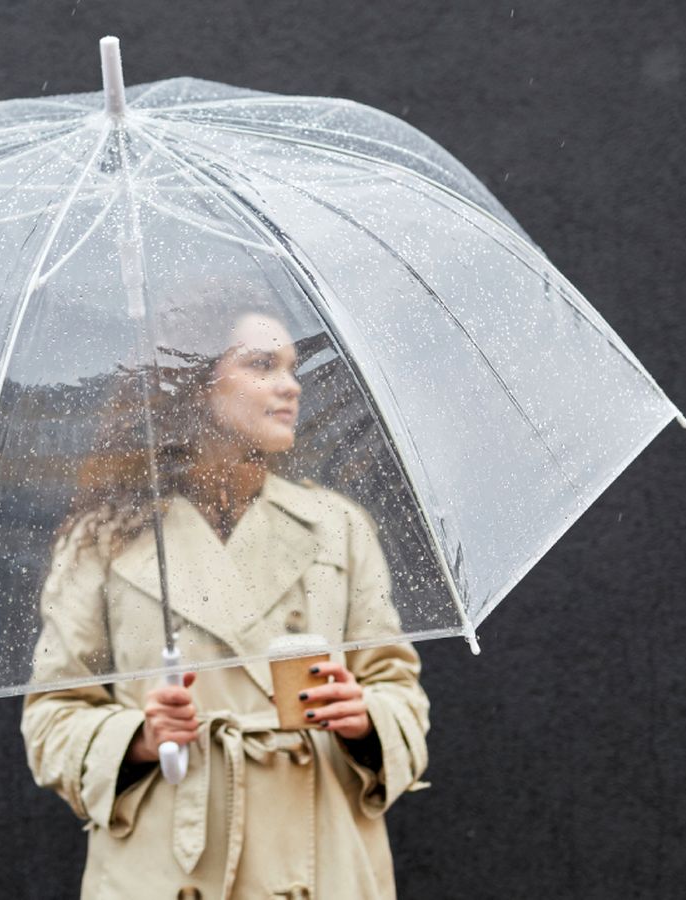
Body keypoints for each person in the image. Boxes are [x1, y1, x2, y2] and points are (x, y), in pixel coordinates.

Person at [21, 282, 431, 899]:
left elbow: (401, 694)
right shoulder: (101, 539)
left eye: (292, 368)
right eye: (262, 365)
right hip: (169, 866)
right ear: (194, 382)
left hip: (318, 862)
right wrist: (139, 736)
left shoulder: (338, 526)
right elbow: (52, 718)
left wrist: (364, 718)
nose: (291, 385)